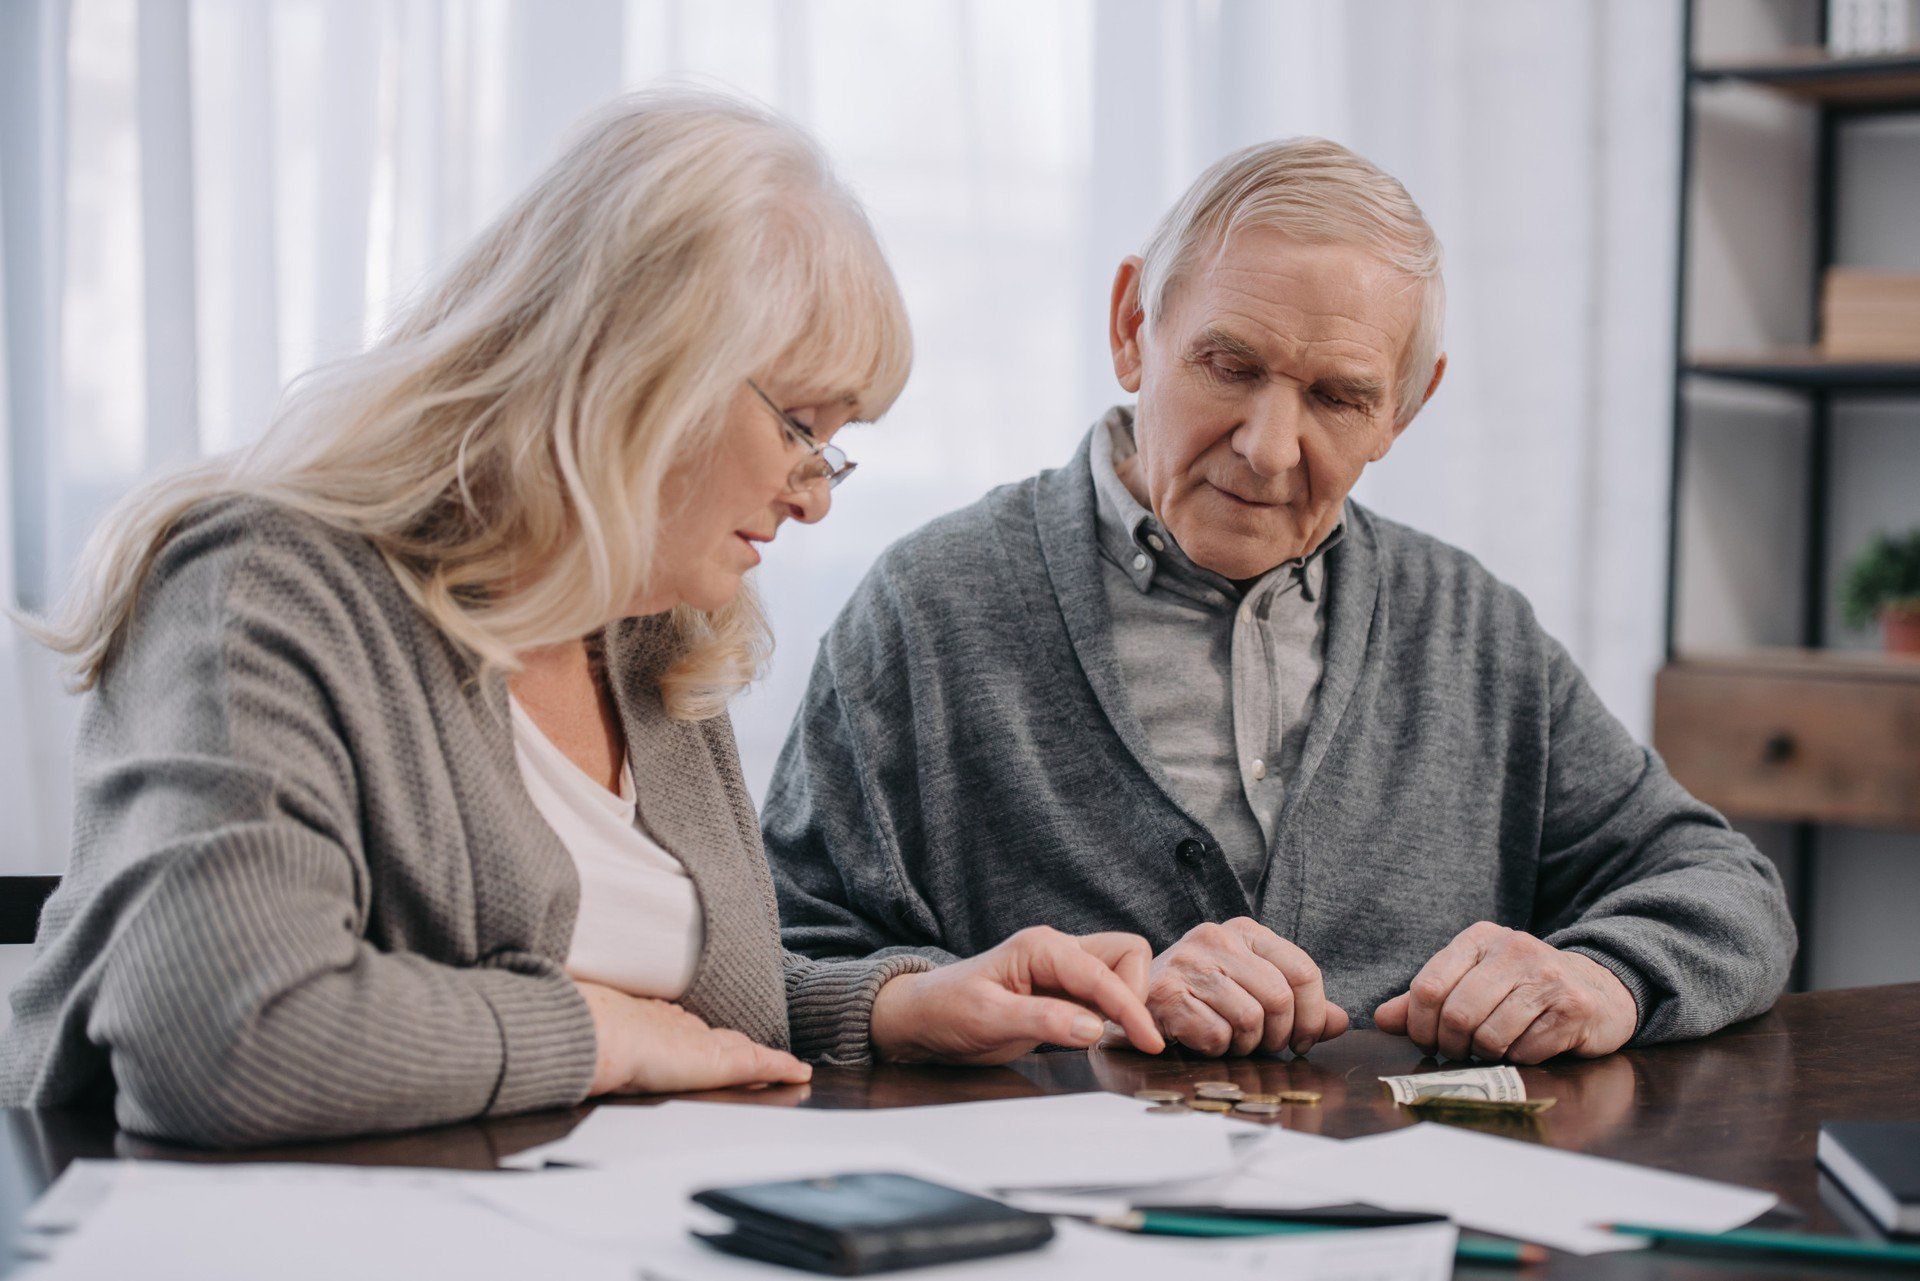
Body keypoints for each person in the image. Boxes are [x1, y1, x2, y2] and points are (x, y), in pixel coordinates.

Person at [0, 90, 1164, 1149]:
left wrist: (896, 1003)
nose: (816, 490)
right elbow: (223, 1041)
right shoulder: (258, 586)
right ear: (639, 371)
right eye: (803, 425)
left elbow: (696, 1008)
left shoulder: (650, 633)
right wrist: (595, 1036)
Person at [763, 136, 1797, 1065]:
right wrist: (1007, 997)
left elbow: (1724, 888)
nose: (1268, 447)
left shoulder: (1471, 627)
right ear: (1133, 327)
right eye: (1229, 364)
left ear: (1406, 405)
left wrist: (1604, 978)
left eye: (1338, 396)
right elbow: (774, 955)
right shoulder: (930, 607)